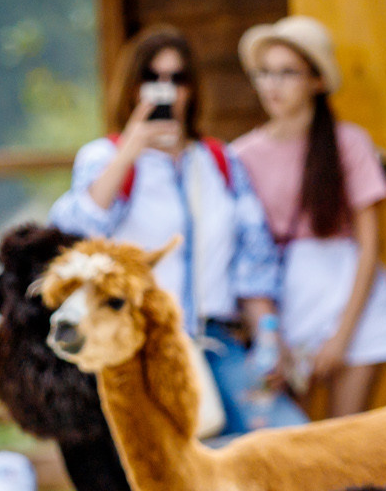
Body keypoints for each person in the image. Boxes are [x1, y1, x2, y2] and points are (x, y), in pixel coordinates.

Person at [48, 25, 280, 434]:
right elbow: (73, 232)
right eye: (152, 78)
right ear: (132, 86)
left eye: (177, 79)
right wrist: (130, 149)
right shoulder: (104, 156)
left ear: (192, 88)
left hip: (216, 340)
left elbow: (253, 257)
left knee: (283, 437)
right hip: (140, 340)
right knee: (167, 455)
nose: (166, 90)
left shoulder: (218, 160)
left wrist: (269, 336)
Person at [231, 15, 386, 418]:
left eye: (288, 73)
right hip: (286, 304)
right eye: (265, 73)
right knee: (290, 435)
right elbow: (246, 253)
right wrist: (268, 334)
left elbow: (370, 245)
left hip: (352, 300)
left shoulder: (349, 144)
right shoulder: (241, 156)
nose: (273, 85)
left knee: (345, 438)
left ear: (316, 80)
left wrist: (342, 336)